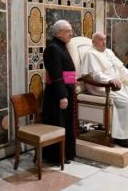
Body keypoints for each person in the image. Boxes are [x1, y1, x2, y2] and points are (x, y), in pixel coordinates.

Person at [81, 32, 128, 148]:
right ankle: (120, 136)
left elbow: (121, 69)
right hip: (101, 86)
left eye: (105, 40)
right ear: (93, 42)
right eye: (100, 40)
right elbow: (95, 75)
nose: (104, 42)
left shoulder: (109, 52)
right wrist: (110, 80)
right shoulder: (90, 54)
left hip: (117, 84)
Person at [42, 20, 76, 163]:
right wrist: (62, 96)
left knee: (66, 124)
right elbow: (56, 75)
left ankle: (65, 154)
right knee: (58, 124)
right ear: (58, 33)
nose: (71, 33)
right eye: (68, 31)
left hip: (65, 91)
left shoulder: (61, 46)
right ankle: (56, 156)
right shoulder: (53, 48)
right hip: (57, 95)